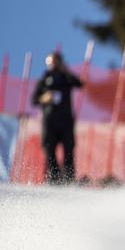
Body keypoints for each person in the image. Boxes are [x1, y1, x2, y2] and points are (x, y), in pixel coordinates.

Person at [31, 52, 83, 184]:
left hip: (66, 120)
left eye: (55, 62)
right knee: (49, 151)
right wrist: (44, 98)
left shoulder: (66, 78)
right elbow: (34, 99)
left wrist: (65, 70)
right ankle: (54, 179)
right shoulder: (44, 80)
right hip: (50, 121)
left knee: (68, 151)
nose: (52, 65)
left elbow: (79, 83)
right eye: (50, 62)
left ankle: (69, 179)